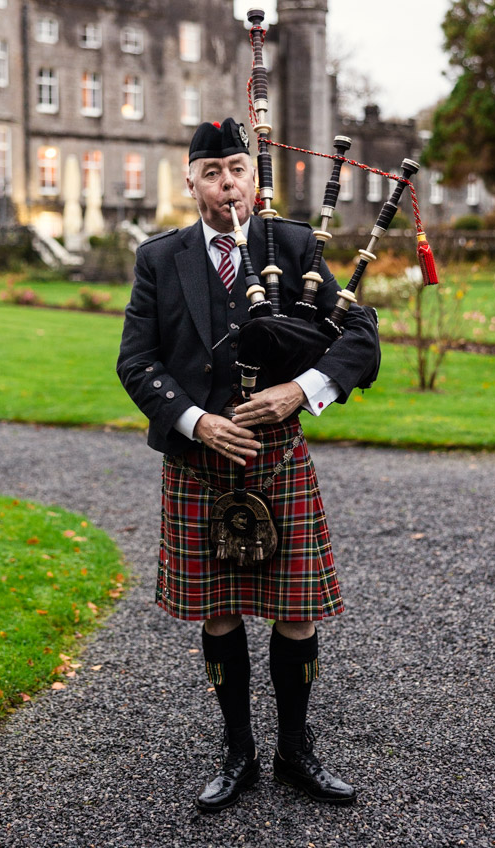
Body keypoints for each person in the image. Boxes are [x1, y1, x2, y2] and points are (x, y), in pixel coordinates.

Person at [117, 117, 380, 812]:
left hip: (277, 460)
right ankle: (237, 753)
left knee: (296, 613)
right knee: (219, 614)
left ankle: (295, 751)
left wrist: (302, 389)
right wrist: (197, 421)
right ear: (191, 182)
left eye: (236, 167)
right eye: (211, 171)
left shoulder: (293, 245)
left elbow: (359, 335)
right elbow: (135, 362)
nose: (226, 182)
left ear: (253, 177)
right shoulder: (159, 257)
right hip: (199, 465)